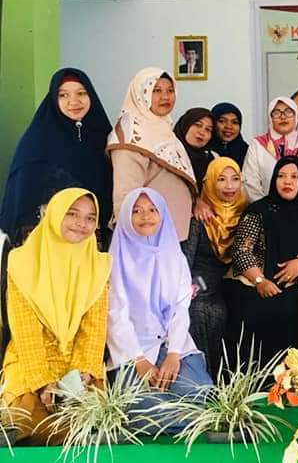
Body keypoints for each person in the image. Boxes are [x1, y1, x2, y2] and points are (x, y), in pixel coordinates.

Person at [1, 189, 111, 445]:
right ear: (53, 215)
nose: (81, 224)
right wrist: (43, 383)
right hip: (31, 359)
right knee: (27, 417)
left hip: (77, 361)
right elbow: (25, 330)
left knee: (90, 415)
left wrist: (83, 374)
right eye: (72, 214)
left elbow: (94, 328)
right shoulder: (22, 262)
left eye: (90, 218)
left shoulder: (98, 265)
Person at [106, 188, 213, 433]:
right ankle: (190, 419)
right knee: (138, 406)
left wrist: (174, 354)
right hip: (133, 351)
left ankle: (178, 417)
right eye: (136, 211)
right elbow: (116, 315)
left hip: (170, 344)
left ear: (162, 214)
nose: (145, 216)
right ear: (125, 216)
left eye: (152, 210)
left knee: (201, 392)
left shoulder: (174, 255)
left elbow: (180, 308)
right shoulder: (115, 259)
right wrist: (140, 361)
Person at [225, 157, 298, 364]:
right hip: (255, 280)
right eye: (281, 176)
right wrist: (260, 281)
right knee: (250, 307)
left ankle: (287, 378)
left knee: (288, 308)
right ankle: (247, 378)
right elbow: (241, 251)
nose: (287, 181)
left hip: (297, 283)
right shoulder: (260, 210)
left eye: (294, 177)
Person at [0, 68, 113, 246]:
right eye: (63, 95)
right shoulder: (38, 139)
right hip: (50, 239)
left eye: (81, 93)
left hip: (93, 237)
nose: (73, 101)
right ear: (54, 99)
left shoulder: (102, 135)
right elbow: (22, 193)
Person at [107, 68, 197, 241]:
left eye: (170, 90)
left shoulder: (163, 126)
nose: (165, 97)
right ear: (141, 94)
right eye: (156, 90)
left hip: (169, 233)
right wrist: (133, 239)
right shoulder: (131, 133)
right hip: (146, 235)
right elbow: (126, 194)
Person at [182, 157, 248, 375]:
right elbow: (186, 261)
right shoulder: (199, 216)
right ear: (210, 182)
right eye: (221, 179)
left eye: (235, 179)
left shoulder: (248, 212)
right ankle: (206, 379)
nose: (229, 186)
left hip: (234, 279)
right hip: (203, 282)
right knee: (202, 309)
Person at [242, 96, 298, 202]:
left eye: (288, 112)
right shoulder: (258, 144)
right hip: (266, 207)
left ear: (296, 116)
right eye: (276, 113)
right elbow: (250, 181)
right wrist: (266, 206)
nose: (283, 117)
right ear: (270, 118)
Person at [173, 107, 216, 187]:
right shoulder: (166, 153)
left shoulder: (213, 161)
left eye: (208, 129)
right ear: (185, 125)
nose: (202, 132)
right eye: (198, 125)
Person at [210, 102, 249, 167]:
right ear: (213, 123)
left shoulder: (248, 152)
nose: (229, 126)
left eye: (234, 122)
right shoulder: (204, 152)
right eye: (222, 121)